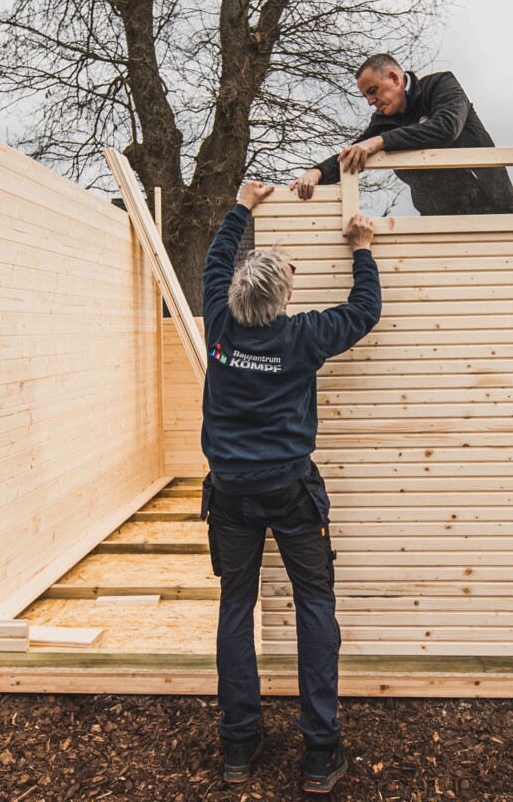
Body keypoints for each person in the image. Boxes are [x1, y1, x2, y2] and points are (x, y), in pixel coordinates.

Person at [200, 180, 381, 794]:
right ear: (280, 300)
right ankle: (319, 753)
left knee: (235, 607)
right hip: (290, 492)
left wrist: (243, 203)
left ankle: (239, 747)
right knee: (315, 606)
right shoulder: (301, 337)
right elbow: (363, 312)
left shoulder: (218, 326)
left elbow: (215, 260)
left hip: (229, 494)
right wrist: (361, 247)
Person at [290, 54, 513, 216]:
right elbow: (355, 153)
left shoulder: (440, 86)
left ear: (395, 78)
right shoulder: (382, 123)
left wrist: (382, 142)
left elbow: (447, 127)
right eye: (365, 97)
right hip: (437, 225)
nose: (370, 102)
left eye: (373, 91)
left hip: (491, 211)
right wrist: (316, 172)